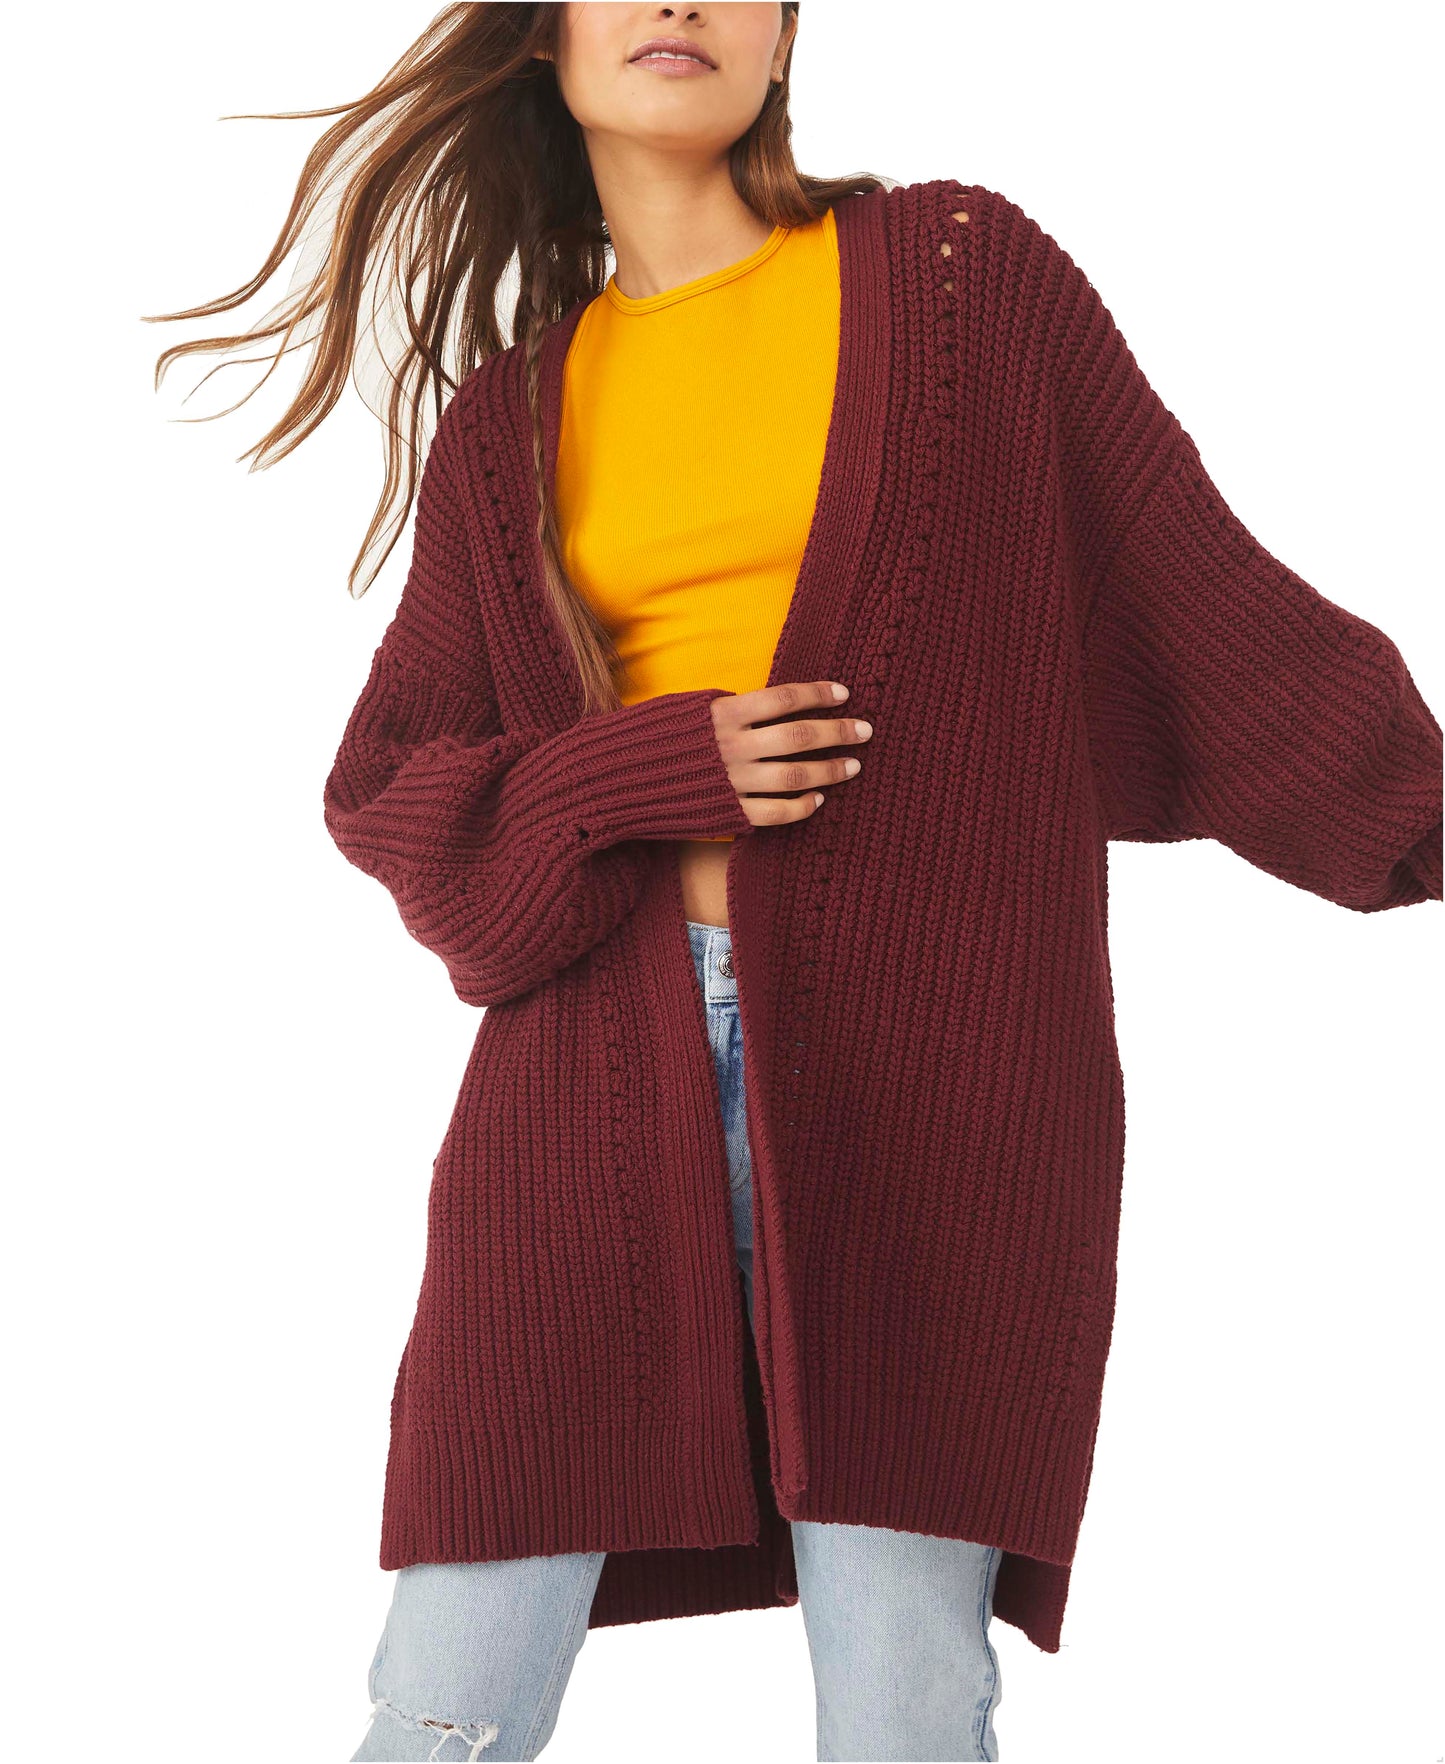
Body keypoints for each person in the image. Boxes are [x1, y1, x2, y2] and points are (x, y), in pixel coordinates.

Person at [147, 5, 1442, 1760]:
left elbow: (1206, 611)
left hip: (938, 1092)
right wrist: (641, 768)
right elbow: (390, 794)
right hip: (581, 1098)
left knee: (905, 1698)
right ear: (542, 43)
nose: (680, 1)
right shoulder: (507, 417)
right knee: (446, 1697)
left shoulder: (962, 279)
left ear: (781, 39)